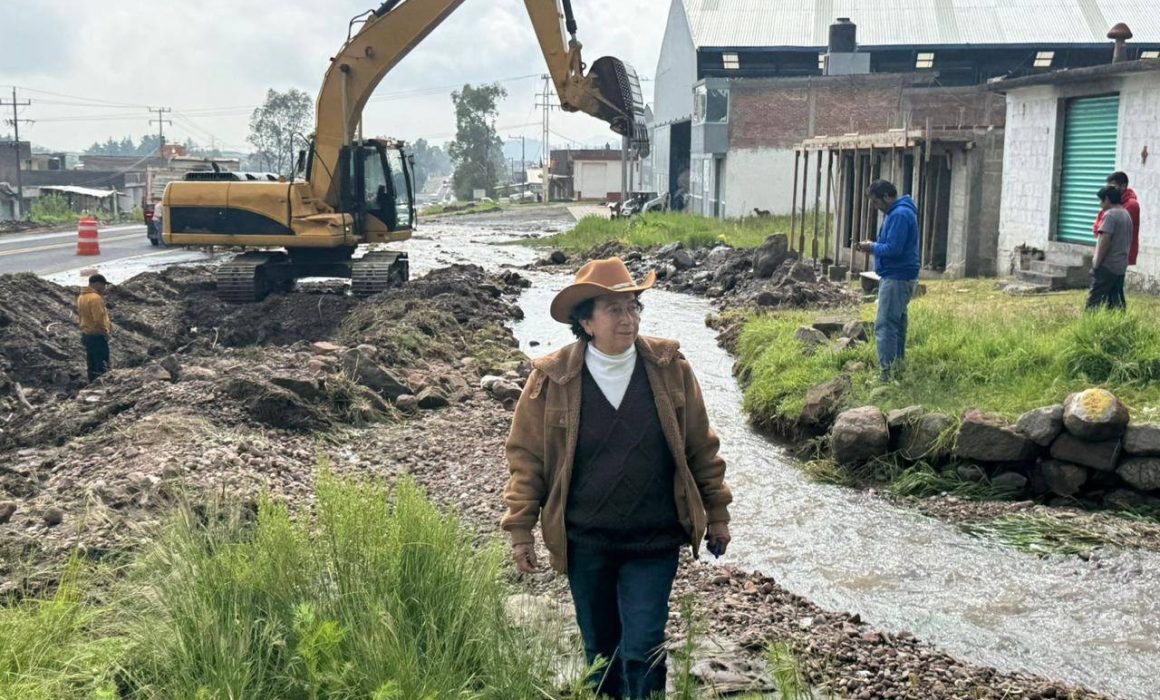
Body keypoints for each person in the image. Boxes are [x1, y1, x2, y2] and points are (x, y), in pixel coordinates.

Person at [502, 257, 732, 700]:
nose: (628, 320)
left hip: (653, 538)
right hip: (585, 541)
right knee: (601, 653)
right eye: (615, 310)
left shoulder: (669, 368)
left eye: (633, 308)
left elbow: (701, 446)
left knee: (644, 646)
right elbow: (526, 459)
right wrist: (520, 531)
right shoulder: (552, 378)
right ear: (586, 322)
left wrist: (717, 514)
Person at [856, 179, 920, 380]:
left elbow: (894, 249)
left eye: (876, 202)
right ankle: (897, 369)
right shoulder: (899, 212)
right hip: (899, 276)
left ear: (886, 197)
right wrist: (874, 244)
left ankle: (887, 374)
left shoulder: (899, 215)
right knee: (897, 325)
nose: (875, 207)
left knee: (884, 325)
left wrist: (871, 247)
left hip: (897, 276)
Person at [1087, 186, 1132, 311]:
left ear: (1107, 199)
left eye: (1101, 201)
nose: (1100, 204)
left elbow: (1105, 240)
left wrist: (1096, 263)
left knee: (1094, 300)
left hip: (1108, 264)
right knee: (1115, 300)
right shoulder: (1125, 213)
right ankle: (1119, 324)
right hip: (1120, 264)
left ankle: (1089, 325)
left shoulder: (1110, 215)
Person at [77, 274, 112, 382]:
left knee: (91, 364)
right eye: (103, 285)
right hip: (97, 335)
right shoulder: (95, 298)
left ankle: (92, 384)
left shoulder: (81, 297)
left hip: (86, 334)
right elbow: (99, 319)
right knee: (102, 364)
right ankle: (102, 386)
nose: (104, 288)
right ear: (96, 284)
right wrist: (105, 333)